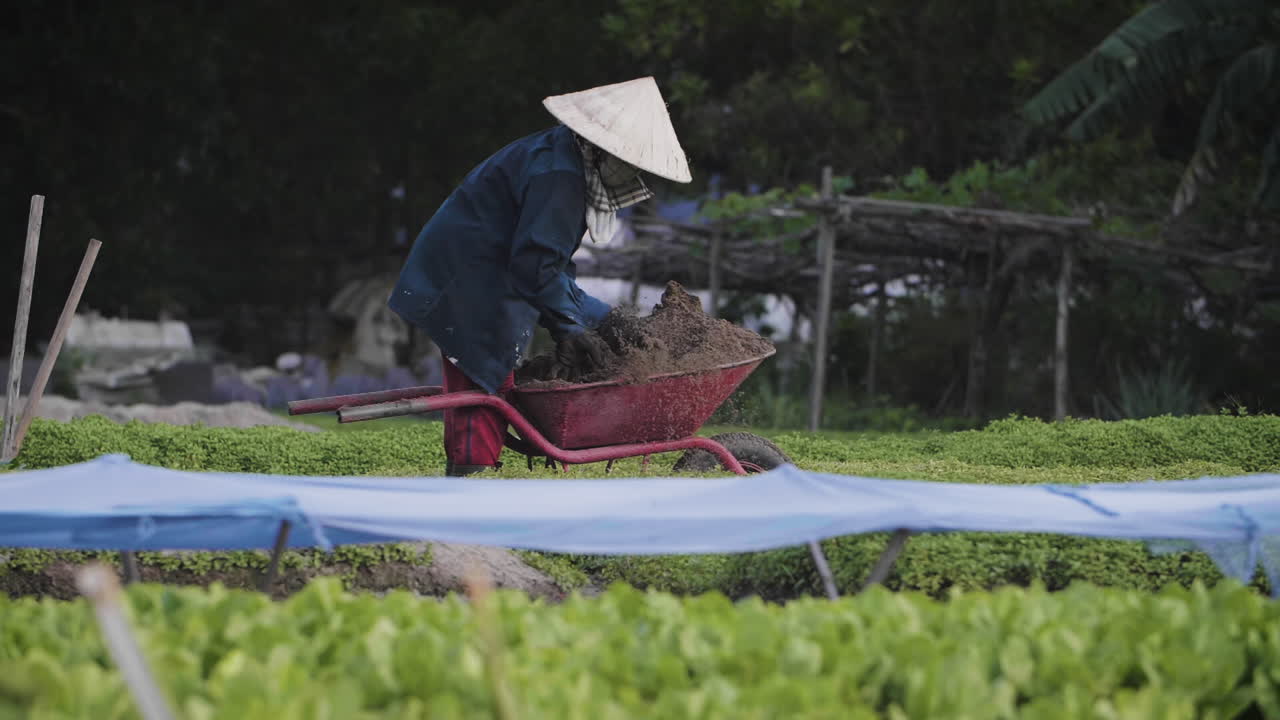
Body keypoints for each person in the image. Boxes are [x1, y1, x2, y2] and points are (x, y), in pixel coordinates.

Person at [387, 77, 692, 476]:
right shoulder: (558, 175)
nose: (635, 172)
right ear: (602, 149)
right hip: (468, 281)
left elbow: (552, 268)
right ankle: (463, 494)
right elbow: (534, 268)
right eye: (630, 162)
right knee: (483, 383)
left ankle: (465, 487)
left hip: (485, 274)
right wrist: (568, 327)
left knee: (486, 385)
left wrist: (606, 320)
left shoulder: (563, 156)